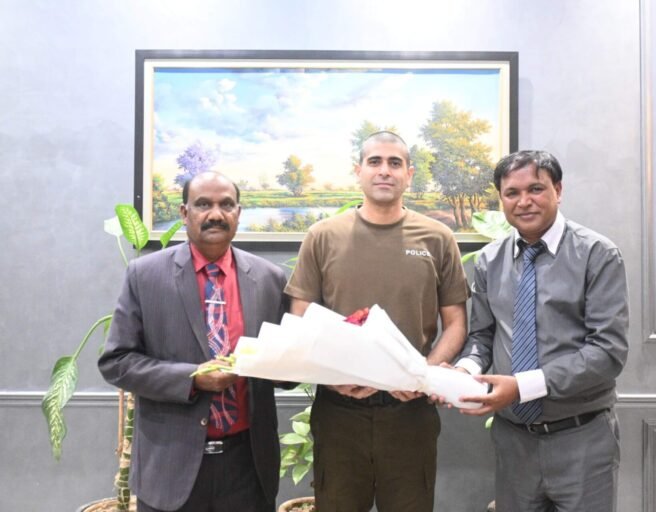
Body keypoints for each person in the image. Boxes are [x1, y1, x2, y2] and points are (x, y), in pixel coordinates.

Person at [284, 131, 470, 512]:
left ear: (409, 174)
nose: (384, 171)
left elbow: (456, 324)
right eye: (375, 162)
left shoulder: (437, 237)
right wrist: (332, 376)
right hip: (339, 414)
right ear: (358, 171)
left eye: (395, 163)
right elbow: (299, 322)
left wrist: (422, 374)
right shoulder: (322, 237)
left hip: (410, 414)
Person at [98, 172, 287, 512]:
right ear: (185, 213)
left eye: (226, 205)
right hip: (171, 464)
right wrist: (192, 379)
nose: (216, 214)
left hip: (248, 465)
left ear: (238, 213)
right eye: (203, 204)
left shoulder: (269, 279)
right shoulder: (145, 276)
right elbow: (117, 361)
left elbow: (286, 371)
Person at [455, 150, 629, 512]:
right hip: (514, 441)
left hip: (582, 438)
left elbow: (607, 353)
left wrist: (522, 387)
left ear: (558, 190)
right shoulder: (490, 260)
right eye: (512, 193)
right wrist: (464, 372)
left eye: (535, 189)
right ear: (501, 199)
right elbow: (482, 337)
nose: (524, 201)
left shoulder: (598, 254)